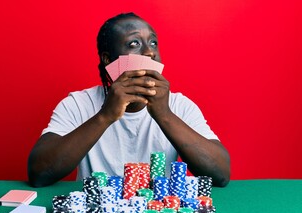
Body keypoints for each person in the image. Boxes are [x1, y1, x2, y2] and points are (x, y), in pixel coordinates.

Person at [28, 12, 230, 188]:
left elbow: (220, 174)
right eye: (134, 44)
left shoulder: (179, 105)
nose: (150, 52)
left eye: (153, 43)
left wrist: (165, 115)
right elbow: (39, 173)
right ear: (108, 59)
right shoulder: (78, 104)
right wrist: (105, 116)